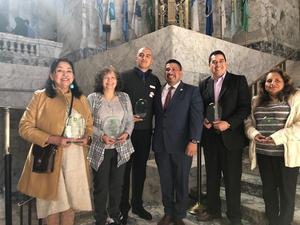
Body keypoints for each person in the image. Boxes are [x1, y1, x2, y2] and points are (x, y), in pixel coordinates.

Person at [17, 58, 93, 225]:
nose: (65, 74)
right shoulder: (40, 97)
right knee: (52, 208)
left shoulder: (82, 99)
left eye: (69, 70)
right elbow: (24, 127)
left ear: (73, 75)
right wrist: (52, 139)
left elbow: (89, 126)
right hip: (50, 158)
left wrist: (87, 137)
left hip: (76, 159)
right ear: (52, 75)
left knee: (70, 207)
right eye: (60, 70)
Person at [198, 50, 251, 225]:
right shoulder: (203, 84)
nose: (217, 64)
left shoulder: (238, 80)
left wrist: (228, 123)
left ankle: (234, 216)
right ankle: (213, 211)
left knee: (232, 180)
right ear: (209, 65)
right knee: (212, 177)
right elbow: (201, 108)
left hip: (231, 140)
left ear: (226, 63)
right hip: (211, 140)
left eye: (221, 61)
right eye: (214, 62)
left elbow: (244, 108)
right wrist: (204, 120)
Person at [244, 68, 300, 225]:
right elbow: (248, 122)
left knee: (286, 194)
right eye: (269, 80)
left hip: (285, 156)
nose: (272, 83)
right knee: (268, 192)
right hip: (264, 155)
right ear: (264, 84)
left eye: (277, 80)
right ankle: (273, 220)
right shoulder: (256, 100)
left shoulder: (295, 97)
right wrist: (254, 134)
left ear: (285, 83)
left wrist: (276, 138)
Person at [152, 59, 203, 225]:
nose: (170, 72)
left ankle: (179, 215)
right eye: (167, 69)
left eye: (174, 69)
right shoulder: (158, 91)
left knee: (181, 181)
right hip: (161, 145)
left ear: (180, 72)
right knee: (165, 181)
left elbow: (196, 118)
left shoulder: (191, 91)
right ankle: (168, 212)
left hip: (183, 146)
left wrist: (194, 141)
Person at [87, 66, 134, 225]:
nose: (110, 81)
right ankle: (100, 218)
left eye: (113, 78)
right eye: (106, 78)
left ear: (117, 80)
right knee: (101, 186)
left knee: (117, 185)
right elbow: (87, 124)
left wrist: (126, 133)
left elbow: (129, 121)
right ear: (101, 80)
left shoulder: (124, 97)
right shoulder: (93, 98)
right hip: (101, 149)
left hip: (121, 148)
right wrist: (101, 136)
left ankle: (115, 215)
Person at [120, 47, 161, 223]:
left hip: (145, 134)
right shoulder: (124, 77)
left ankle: (137, 205)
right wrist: (128, 118)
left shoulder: (155, 80)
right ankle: (122, 208)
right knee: (124, 171)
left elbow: (158, 108)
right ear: (136, 58)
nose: (144, 58)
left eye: (148, 56)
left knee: (140, 171)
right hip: (125, 133)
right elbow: (115, 102)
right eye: (141, 55)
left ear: (151, 60)